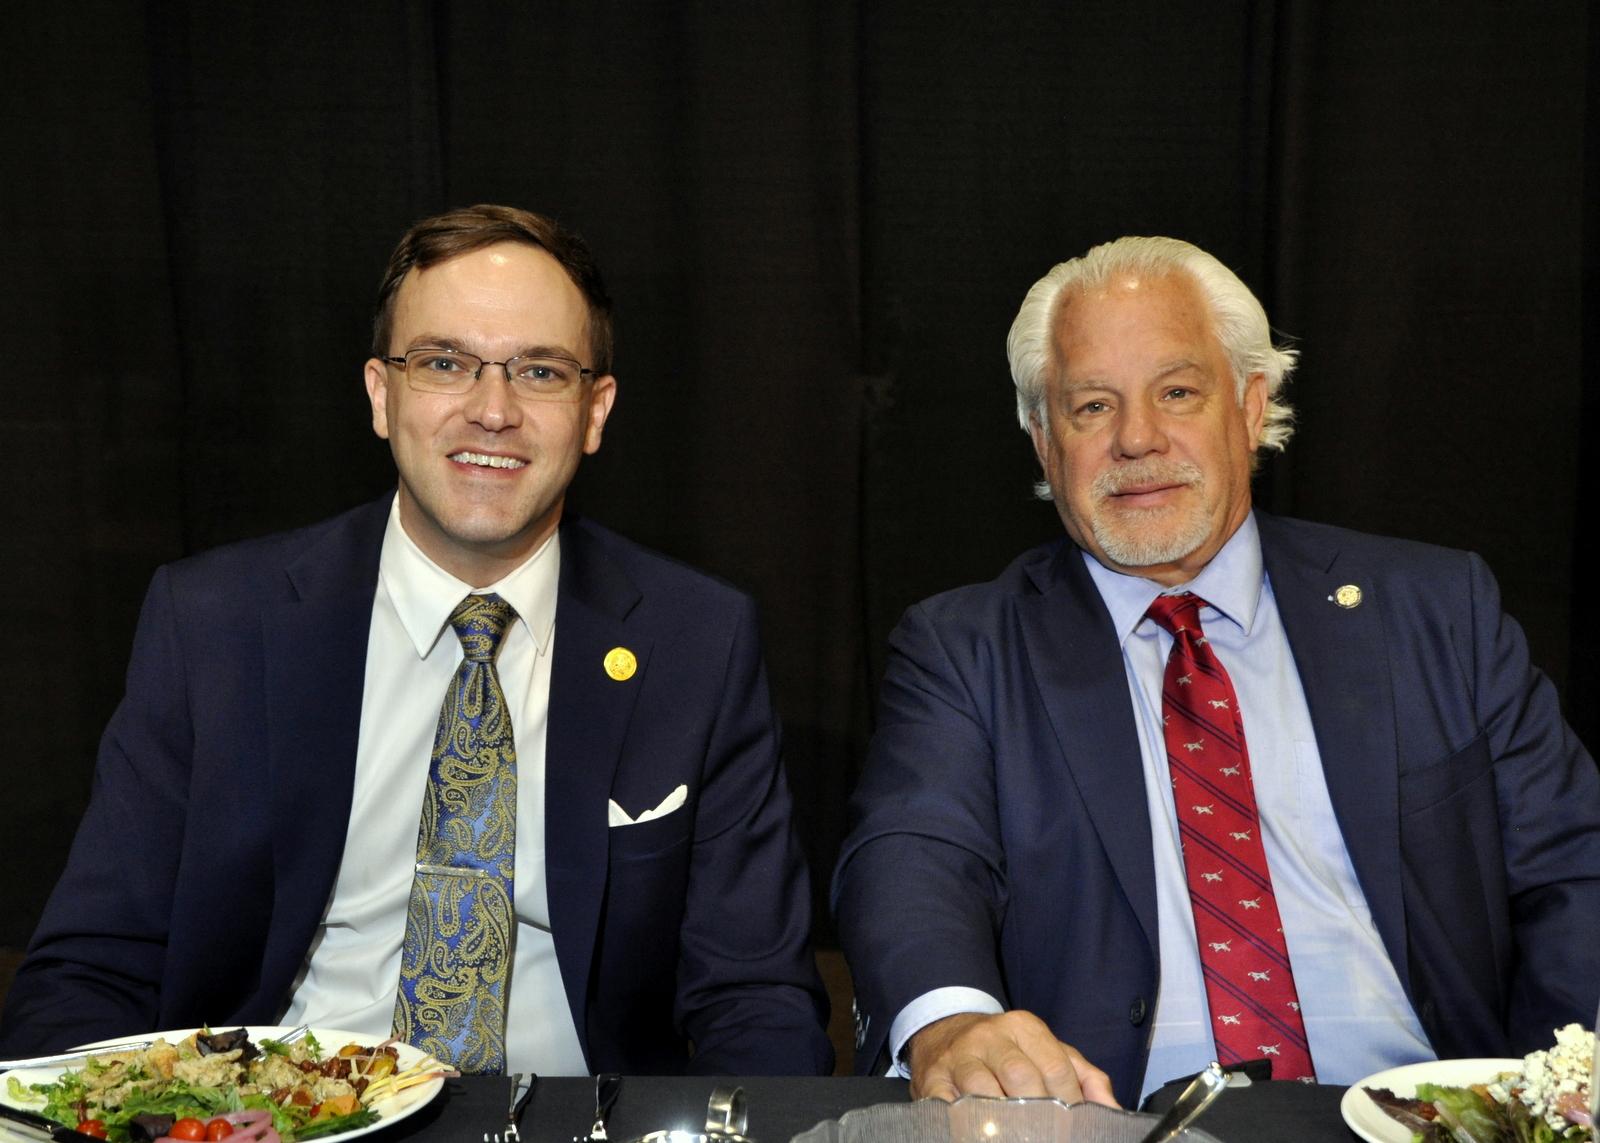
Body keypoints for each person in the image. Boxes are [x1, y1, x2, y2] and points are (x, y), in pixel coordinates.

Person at [0, 205, 833, 1077]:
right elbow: (90, 970)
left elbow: (757, 999)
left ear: (594, 411)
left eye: (540, 371)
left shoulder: (697, 641)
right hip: (279, 1114)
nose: (493, 410)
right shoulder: (214, 623)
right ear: (381, 394)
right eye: (444, 363)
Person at [833, 236, 1600, 1108]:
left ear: (1250, 405)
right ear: (1044, 441)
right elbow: (912, 856)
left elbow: (1574, 870)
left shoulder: (1435, 609)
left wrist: (1555, 1095)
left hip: (1423, 1114)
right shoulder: (966, 648)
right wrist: (955, 1023)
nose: (1136, 438)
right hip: (1117, 1120)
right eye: (1092, 406)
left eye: (1177, 392)